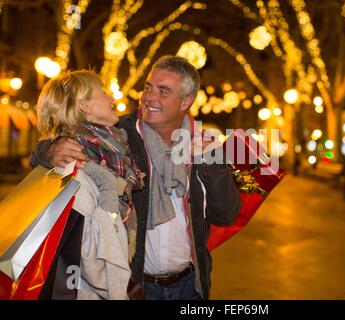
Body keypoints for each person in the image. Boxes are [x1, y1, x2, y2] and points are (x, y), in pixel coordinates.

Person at [31, 56, 241, 300]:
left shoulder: (203, 144)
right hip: (138, 287)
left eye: (163, 91)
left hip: (190, 285)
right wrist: (49, 151)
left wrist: (211, 163)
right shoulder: (121, 136)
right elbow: (65, 137)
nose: (150, 97)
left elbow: (226, 214)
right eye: (148, 87)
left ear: (186, 101)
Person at [35, 70, 145, 299]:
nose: (112, 98)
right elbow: (90, 259)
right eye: (103, 92)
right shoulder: (79, 170)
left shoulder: (111, 151)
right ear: (84, 105)